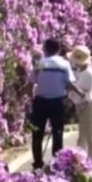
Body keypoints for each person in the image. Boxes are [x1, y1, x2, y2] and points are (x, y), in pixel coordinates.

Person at [30, 38, 86, 171]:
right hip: (57, 102)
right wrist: (80, 93)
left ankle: (37, 164)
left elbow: (31, 83)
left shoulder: (39, 64)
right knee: (57, 133)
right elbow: (69, 83)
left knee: (37, 134)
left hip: (40, 102)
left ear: (45, 49)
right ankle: (56, 164)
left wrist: (30, 98)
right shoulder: (64, 64)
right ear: (59, 50)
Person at [68, 45, 92, 160]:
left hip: (88, 105)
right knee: (82, 136)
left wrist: (73, 87)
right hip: (81, 106)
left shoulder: (88, 74)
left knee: (90, 136)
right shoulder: (79, 71)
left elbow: (85, 94)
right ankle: (79, 161)